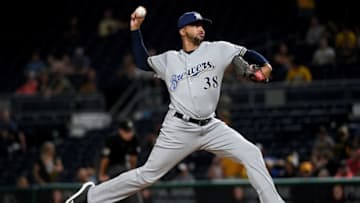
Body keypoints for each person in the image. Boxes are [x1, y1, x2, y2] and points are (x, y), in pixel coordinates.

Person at [66, 9, 285, 203]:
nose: (201, 29)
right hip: (179, 127)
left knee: (252, 153)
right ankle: (91, 196)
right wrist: (135, 30)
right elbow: (143, 62)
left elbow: (247, 54)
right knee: (147, 175)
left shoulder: (218, 49)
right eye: (195, 25)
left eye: (202, 25)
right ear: (182, 31)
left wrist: (265, 66)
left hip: (211, 126)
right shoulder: (169, 59)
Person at [97, 120, 142, 203]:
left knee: (133, 189)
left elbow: (133, 158)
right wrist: (101, 175)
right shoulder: (112, 139)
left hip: (125, 168)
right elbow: (105, 159)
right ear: (120, 131)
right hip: (111, 168)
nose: (129, 134)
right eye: (127, 131)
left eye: (130, 131)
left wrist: (132, 173)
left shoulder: (134, 139)